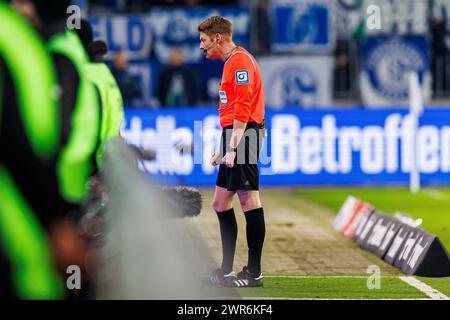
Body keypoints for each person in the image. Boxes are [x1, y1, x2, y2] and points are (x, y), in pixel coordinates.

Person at [198, 15, 266, 287]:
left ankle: (254, 273)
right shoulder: (231, 63)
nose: (201, 47)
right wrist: (221, 146)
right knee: (219, 203)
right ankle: (226, 270)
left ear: (218, 38)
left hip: (246, 133)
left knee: (249, 201)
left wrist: (233, 147)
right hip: (235, 134)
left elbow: (243, 108)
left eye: (203, 41)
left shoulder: (240, 62)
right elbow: (230, 110)